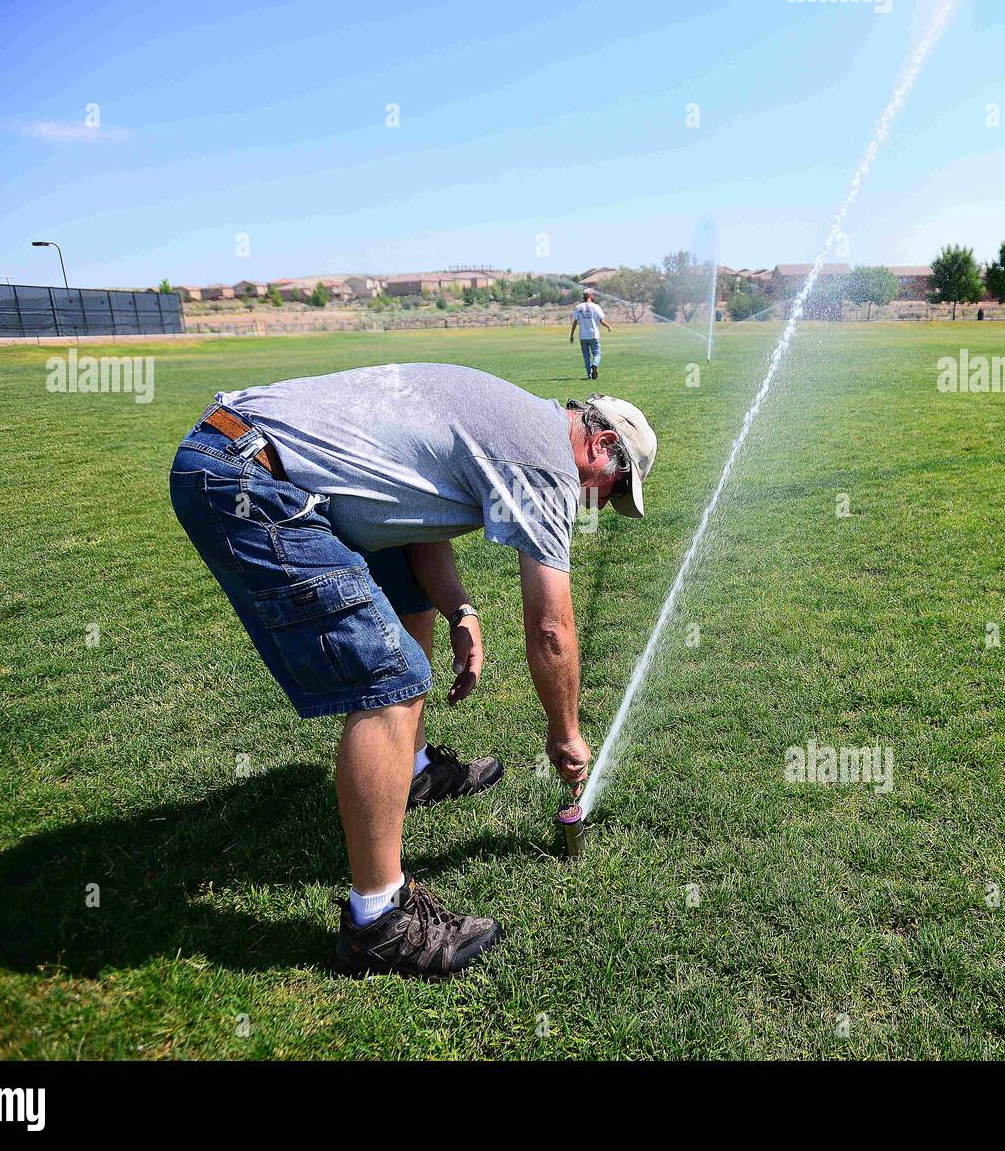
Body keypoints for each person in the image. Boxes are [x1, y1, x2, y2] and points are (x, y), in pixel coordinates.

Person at [169, 364, 657, 978]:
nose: (599, 503)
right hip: (248, 477)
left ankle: (417, 771)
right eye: (611, 489)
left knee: (411, 608)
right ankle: (377, 924)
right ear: (603, 445)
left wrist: (460, 609)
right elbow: (551, 627)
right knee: (391, 676)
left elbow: (417, 516)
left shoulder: (518, 423)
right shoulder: (544, 461)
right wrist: (565, 733)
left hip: (239, 451)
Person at [569, 287, 612, 380]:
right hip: (594, 335)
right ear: (590, 296)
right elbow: (601, 320)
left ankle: (589, 374)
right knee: (597, 354)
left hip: (583, 336)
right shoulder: (596, 307)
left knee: (586, 356)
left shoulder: (579, 307)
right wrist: (608, 326)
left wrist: (571, 335)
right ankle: (595, 365)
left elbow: (575, 322)